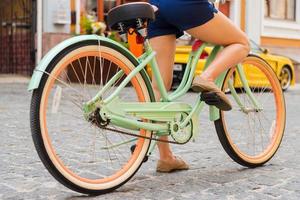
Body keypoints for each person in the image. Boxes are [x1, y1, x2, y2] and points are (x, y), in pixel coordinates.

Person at [147, 0, 250, 172]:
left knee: (159, 87)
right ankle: (207, 78)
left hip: (156, 8)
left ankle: (165, 157)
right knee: (242, 43)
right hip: (185, 5)